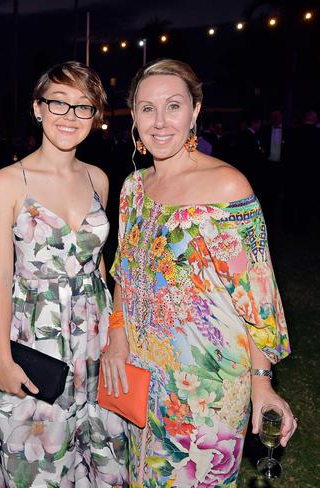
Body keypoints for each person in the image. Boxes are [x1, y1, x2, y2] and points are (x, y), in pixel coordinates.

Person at [102, 59, 297, 486]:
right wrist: (117, 336)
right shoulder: (133, 188)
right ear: (133, 116)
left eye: (173, 106)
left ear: (195, 111)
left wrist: (262, 384)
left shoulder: (228, 187)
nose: (159, 122)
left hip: (206, 389)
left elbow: (257, 299)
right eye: (146, 108)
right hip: (142, 375)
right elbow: (125, 274)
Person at [0, 61, 128, 487]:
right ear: (38, 108)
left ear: (95, 117)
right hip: (35, 337)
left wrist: (116, 334)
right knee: (38, 460)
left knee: (103, 452)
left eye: (83, 106)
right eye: (58, 102)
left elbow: (98, 263)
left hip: (94, 339)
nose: (70, 116)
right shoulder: (9, 182)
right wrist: (3, 360)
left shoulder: (98, 178)